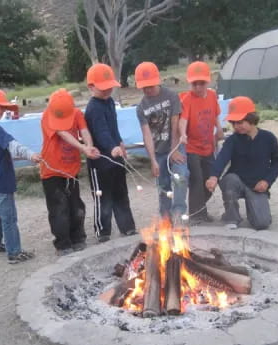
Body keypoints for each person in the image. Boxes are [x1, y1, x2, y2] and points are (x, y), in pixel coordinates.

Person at [0, 89, 41, 264]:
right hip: (1, 178)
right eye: (0, 107)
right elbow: (13, 145)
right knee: (9, 217)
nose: (3, 111)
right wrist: (31, 155)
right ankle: (14, 252)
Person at [205, 96, 278, 230]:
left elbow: (277, 162)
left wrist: (267, 181)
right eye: (233, 123)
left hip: (257, 185)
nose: (236, 126)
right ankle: (231, 217)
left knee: (262, 223)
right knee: (229, 180)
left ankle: (253, 206)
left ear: (251, 119)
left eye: (240, 122)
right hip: (237, 182)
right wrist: (213, 176)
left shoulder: (268, 138)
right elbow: (222, 158)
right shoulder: (232, 140)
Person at [40, 88, 100, 256]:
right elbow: (63, 133)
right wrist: (82, 148)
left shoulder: (76, 113)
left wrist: (89, 146)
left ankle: (78, 237)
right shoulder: (47, 116)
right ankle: (63, 244)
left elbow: (85, 131)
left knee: (76, 206)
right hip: (52, 171)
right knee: (59, 208)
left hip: (71, 170)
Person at [84, 63, 137, 243]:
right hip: (100, 161)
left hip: (116, 158)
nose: (107, 91)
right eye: (103, 88)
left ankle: (127, 226)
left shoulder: (110, 103)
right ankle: (103, 231)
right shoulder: (93, 108)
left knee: (121, 192)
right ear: (91, 87)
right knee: (102, 195)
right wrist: (111, 146)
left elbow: (112, 127)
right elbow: (100, 132)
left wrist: (120, 143)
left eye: (109, 87)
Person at [135, 61, 189, 223]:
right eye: (144, 87)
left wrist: (174, 149)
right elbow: (147, 135)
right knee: (163, 186)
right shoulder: (141, 107)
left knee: (182, 176)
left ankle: (179, 212)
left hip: (175, 147)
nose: (147, 90)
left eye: (150, 86)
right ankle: (166, 218)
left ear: (158, 81)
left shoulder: (171, 96)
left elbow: (175, 124)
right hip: (158, 152)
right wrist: (152, 160)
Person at [179, 61, 224, 224]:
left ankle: (198, 210)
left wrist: (219, 129)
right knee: (197, 180)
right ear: (190, 83)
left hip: (208, 146)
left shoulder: (212, 95)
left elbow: (216, 114)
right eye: (194, 84)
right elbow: (183, 119)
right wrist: (182, 134)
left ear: (208, 81)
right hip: (192, 148)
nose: (198, 87)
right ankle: (197, 216)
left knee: (211, 180)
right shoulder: (187, 99)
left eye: (201, 83)